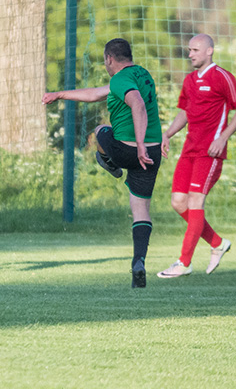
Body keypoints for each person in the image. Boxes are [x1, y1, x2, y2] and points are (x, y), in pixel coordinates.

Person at [42, 38, 163, 288]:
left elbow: (137, 104)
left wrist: (138, 144)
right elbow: (97, 93)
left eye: (104, 60)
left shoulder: (121, 79)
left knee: (100, 130)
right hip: (152, 152)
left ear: (109, 59)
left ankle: (109, 163)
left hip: (131, 150)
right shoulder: (142, 74)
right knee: (140, 210)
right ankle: (138, 262)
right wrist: (61, 94)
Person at [157, 34, 235, 278]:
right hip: (189, 151)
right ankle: (217, 243)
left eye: (195, 50)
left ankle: (184, 262)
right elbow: (185, 113)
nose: (190, 54)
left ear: (209, 51)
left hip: (209, 153)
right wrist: (167, 134)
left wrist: (222, 138)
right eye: (189, 50)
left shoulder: (222, 76)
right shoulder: (190, 80)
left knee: (194, 202)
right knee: (178, 203)